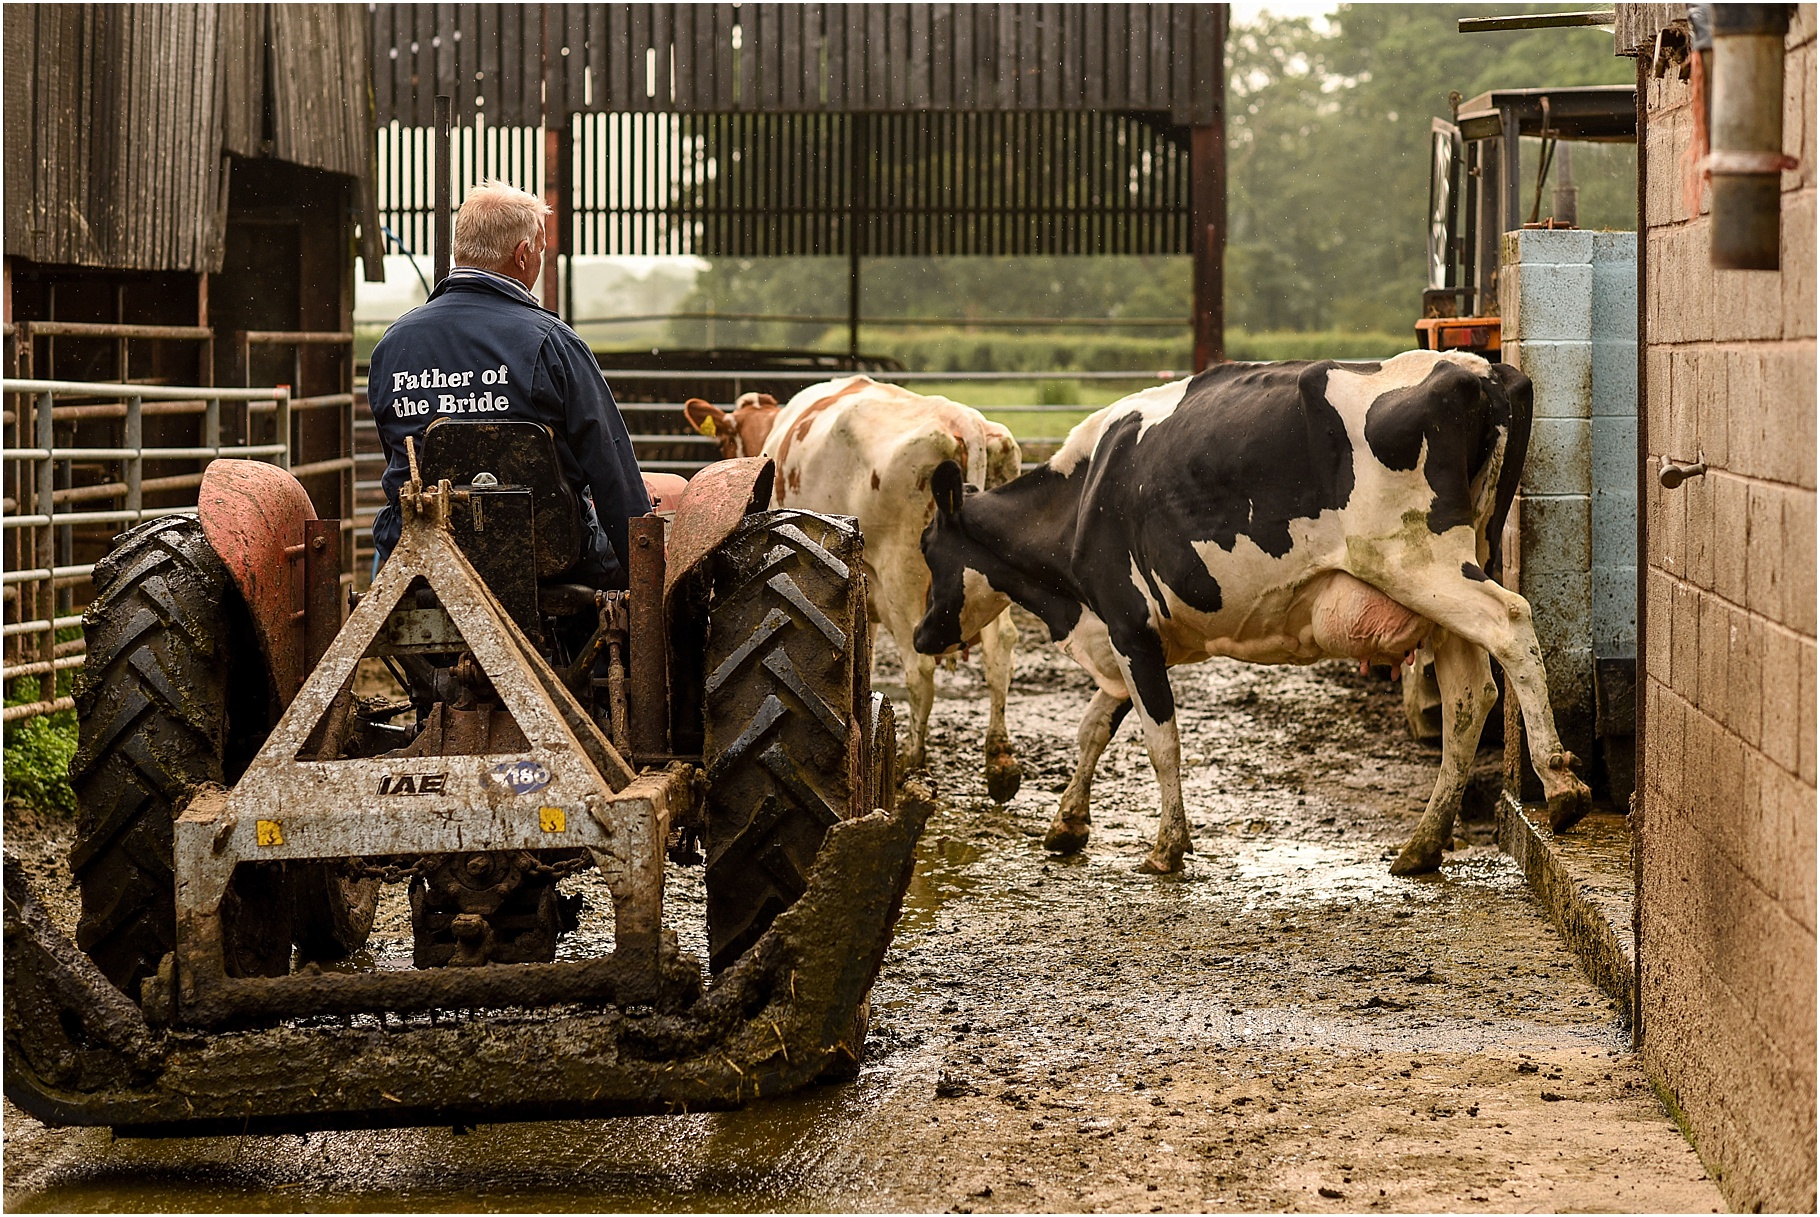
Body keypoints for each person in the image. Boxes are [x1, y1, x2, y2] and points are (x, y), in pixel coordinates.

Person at [367, 179, 650, 586]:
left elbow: (402, 455)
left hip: (422, 552)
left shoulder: (393, 346)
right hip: (546, 556)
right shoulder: (552, 344)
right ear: (522, 255)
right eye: (540, 250)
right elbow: (611, 469)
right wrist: (644, 576)